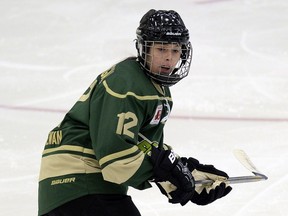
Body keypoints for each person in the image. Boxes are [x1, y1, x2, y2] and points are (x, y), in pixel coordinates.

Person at [38, 9, 232, 216]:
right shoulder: (125, 82)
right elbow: (115, 154)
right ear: (145, 49)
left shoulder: (157, 91)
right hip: (77, 183)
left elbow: (145, 148)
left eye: (175, 51)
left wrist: (188, 174)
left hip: (87, 188)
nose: (169, 58)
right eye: (161, 49)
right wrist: (170, 174)